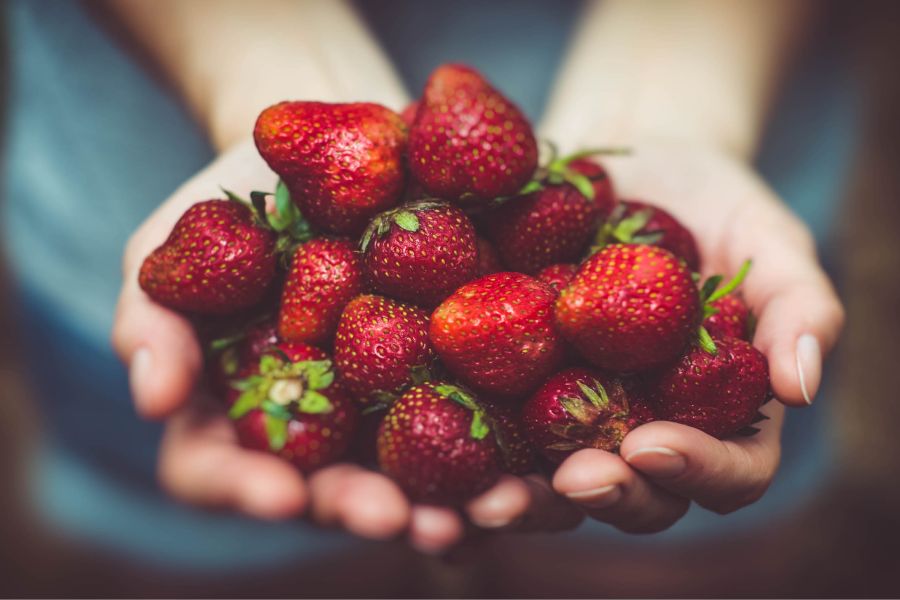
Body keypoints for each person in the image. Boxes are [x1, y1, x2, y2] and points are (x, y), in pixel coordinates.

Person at [3, 0, 845, 569]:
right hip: (122, 166)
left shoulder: (540, 281)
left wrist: (676, 108)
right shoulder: (386, 272)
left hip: (737, 88)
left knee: (657, 569)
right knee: (228, 568)